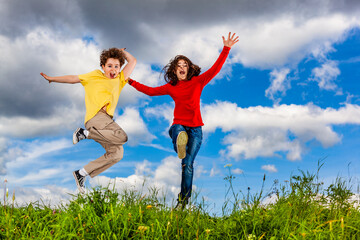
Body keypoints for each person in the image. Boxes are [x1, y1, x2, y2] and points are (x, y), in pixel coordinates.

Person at [128, 32, 239, 209]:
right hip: (179, 124)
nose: (182, 67)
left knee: (187, 164)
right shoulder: (171, 87)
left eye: (184, 65)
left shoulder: (198, 81)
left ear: (188, 68)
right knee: (176, 130)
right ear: (174, 70)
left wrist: (226, 48)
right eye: (178, 65)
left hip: (196, 130)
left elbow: (215, 69)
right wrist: (130, 81)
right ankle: (179, 142)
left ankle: (183, 201)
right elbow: (150, 91)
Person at [40, 48, 136, 194]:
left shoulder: (120, 79)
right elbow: (73, 79)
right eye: (109, 66)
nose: (113, 69)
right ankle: (84, 134)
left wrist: (121, 53)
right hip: (96, 118)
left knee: (117, 153)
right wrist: (52, 79)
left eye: (117, 66)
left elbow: (133, 61)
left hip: (106, 124)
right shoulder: (94, 75)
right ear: (103, 67)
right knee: (122, 136)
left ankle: (82, 173)